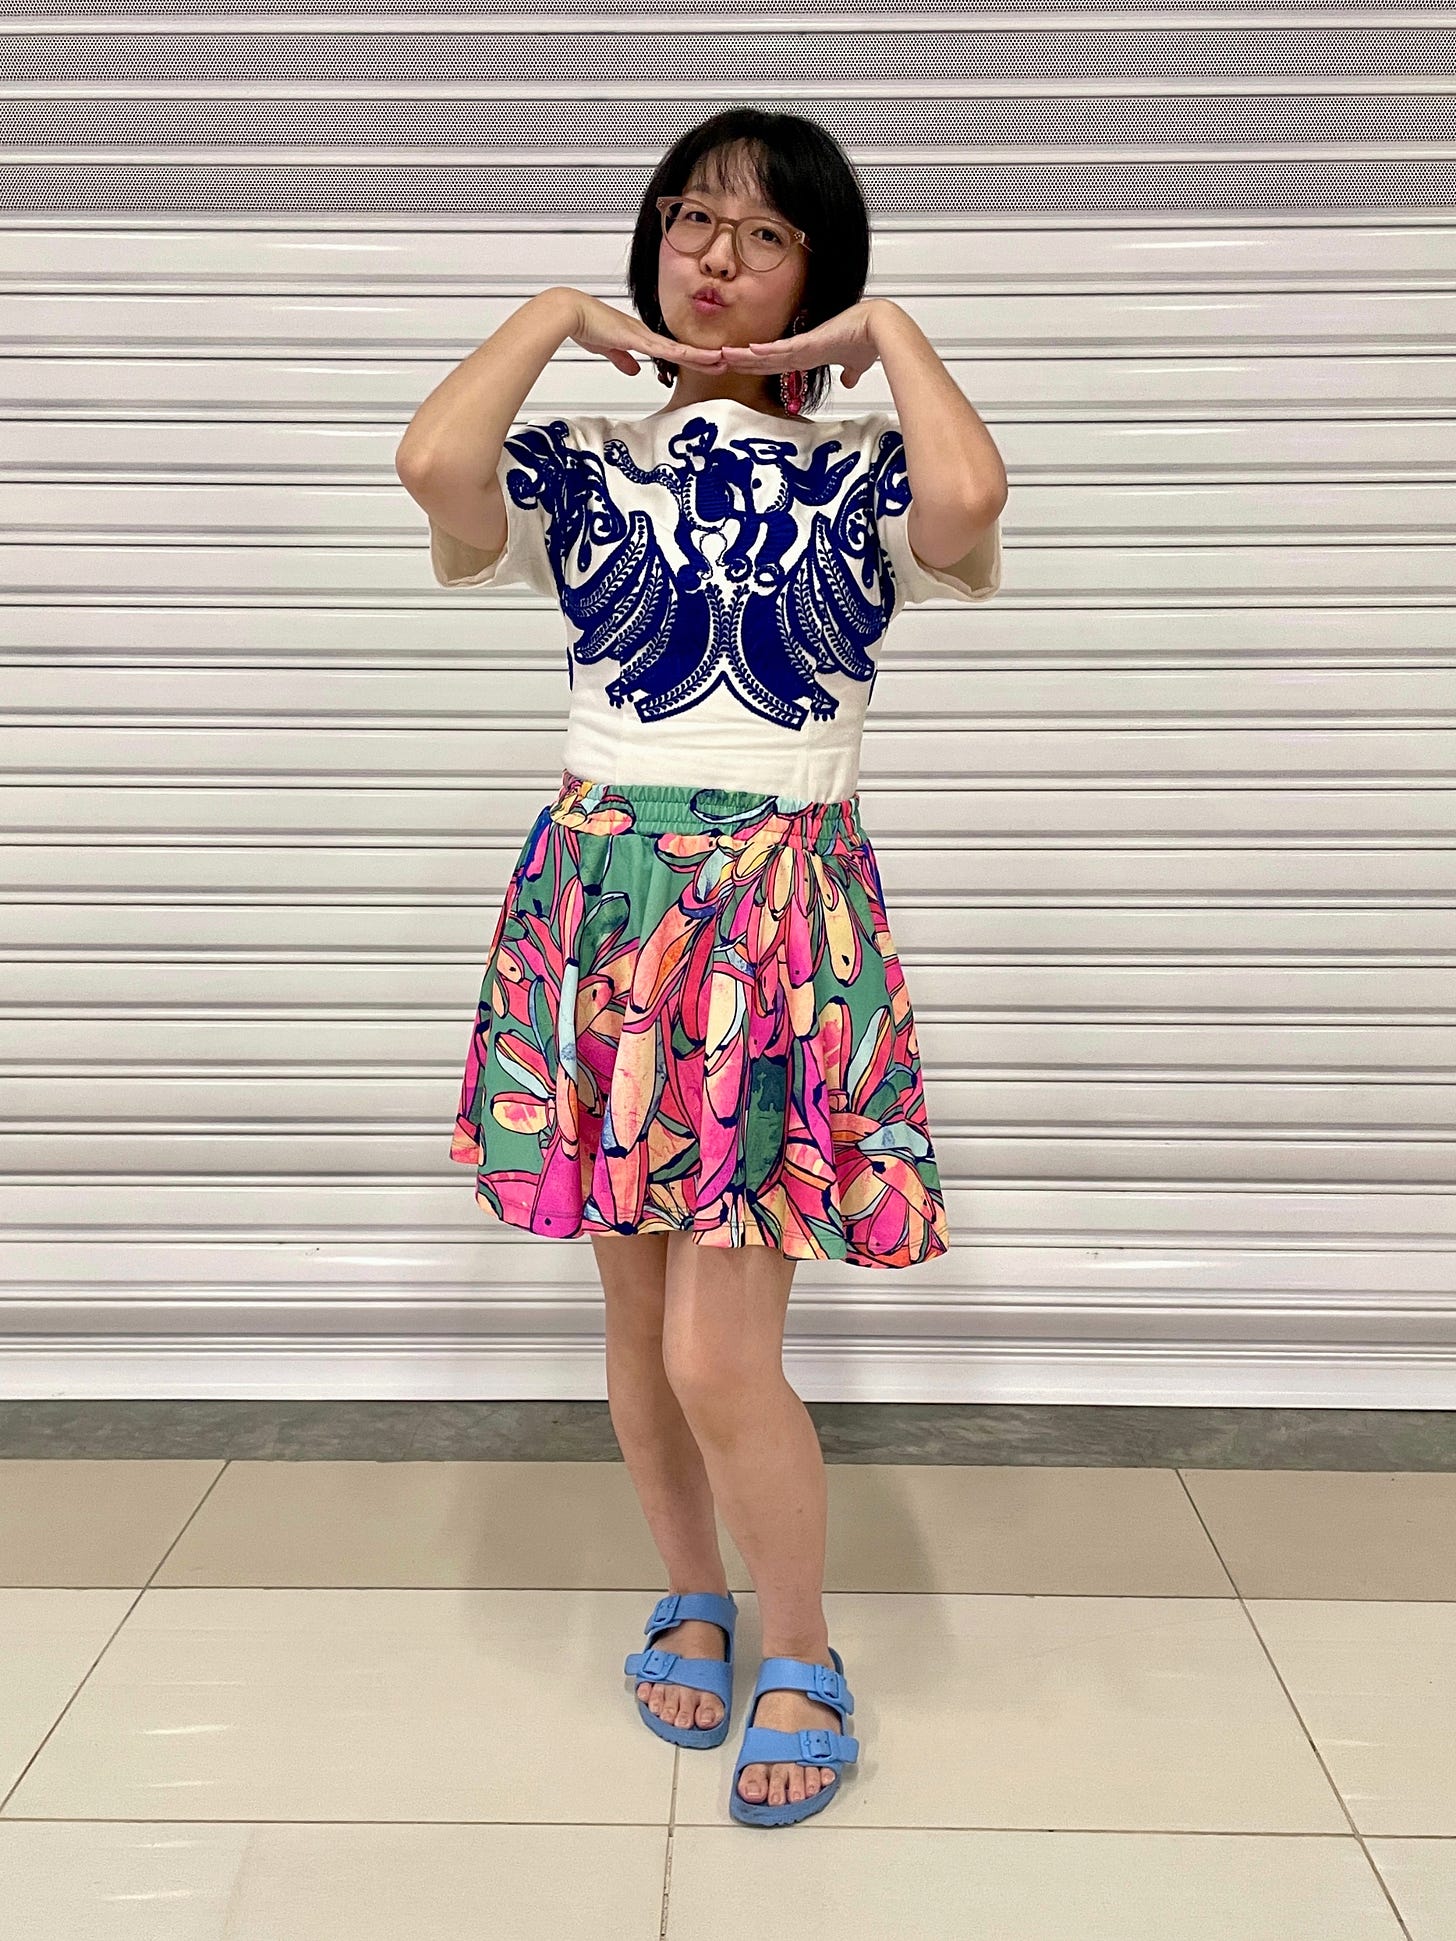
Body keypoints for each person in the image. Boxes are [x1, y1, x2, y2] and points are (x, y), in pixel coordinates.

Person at [395, 109, 1007, 1828]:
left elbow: (972, 501)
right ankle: (693, 1593)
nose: (713, 254)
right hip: (600, 905)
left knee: (718, 1353)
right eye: (688, 219)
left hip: (775, 913)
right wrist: (555, 313)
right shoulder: (589, 459)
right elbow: (432, 461)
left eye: (763, 232)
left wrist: (887, 334)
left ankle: (801, 1647)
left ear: (819, 273)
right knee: (636, 1317)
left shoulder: (870, 473)